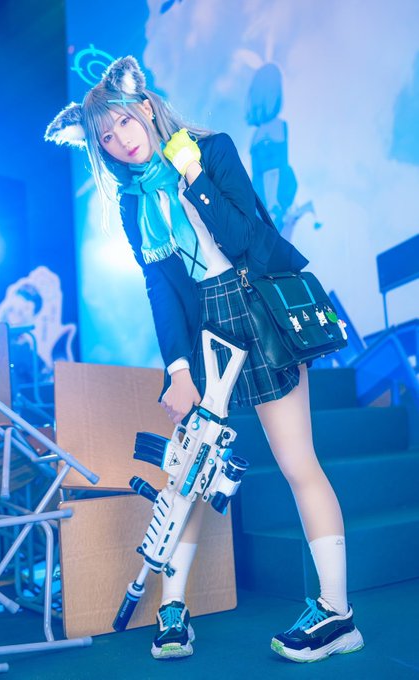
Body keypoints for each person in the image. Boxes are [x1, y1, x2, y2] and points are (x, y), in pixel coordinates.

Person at [45, 55, 364, 664]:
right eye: (104, 138)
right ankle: (174, 613)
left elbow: (247, 239)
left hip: (256, 310)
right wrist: (177, 369)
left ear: (145, 107)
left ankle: (337, 613)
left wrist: (191, 174)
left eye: (123, 123)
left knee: (298, 462)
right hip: (205, 329)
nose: (120, 141)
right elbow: (160, 288)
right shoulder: (133, 203)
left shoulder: (211, 150)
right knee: (189, 472)